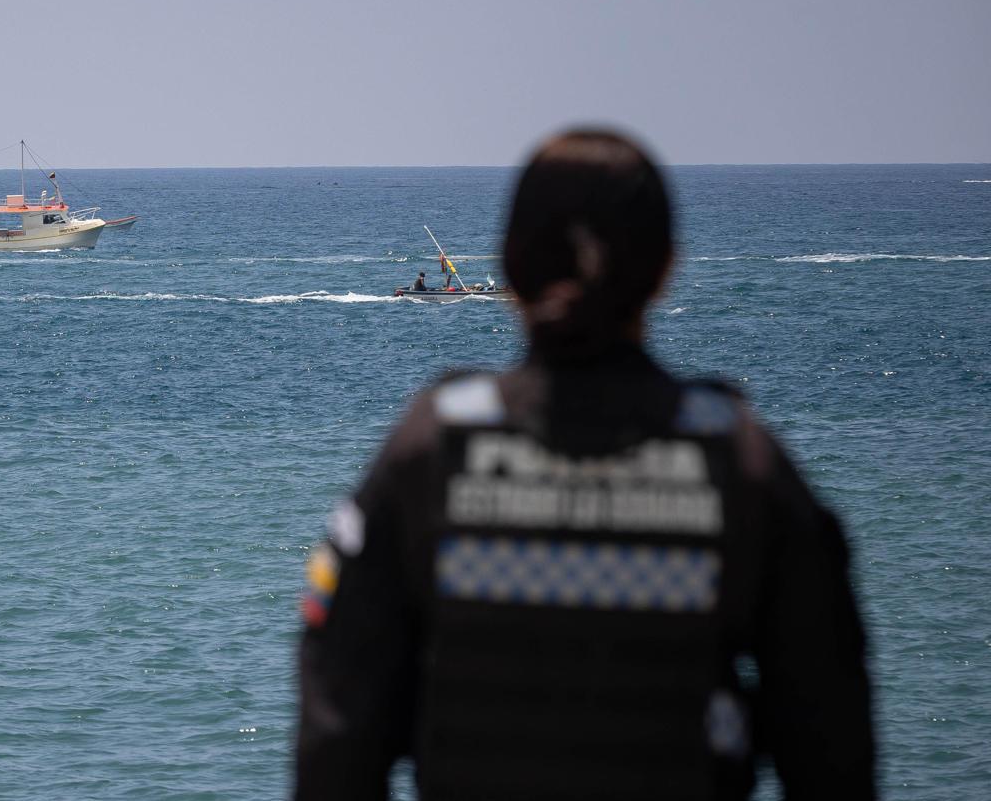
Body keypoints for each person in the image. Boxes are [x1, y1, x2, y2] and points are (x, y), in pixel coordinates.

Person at [294, 129, 874, 800]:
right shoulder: (743, 465)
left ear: (512, 269)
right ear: (664, 269)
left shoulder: (427, 454)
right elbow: (833, 744)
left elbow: (336, 740)